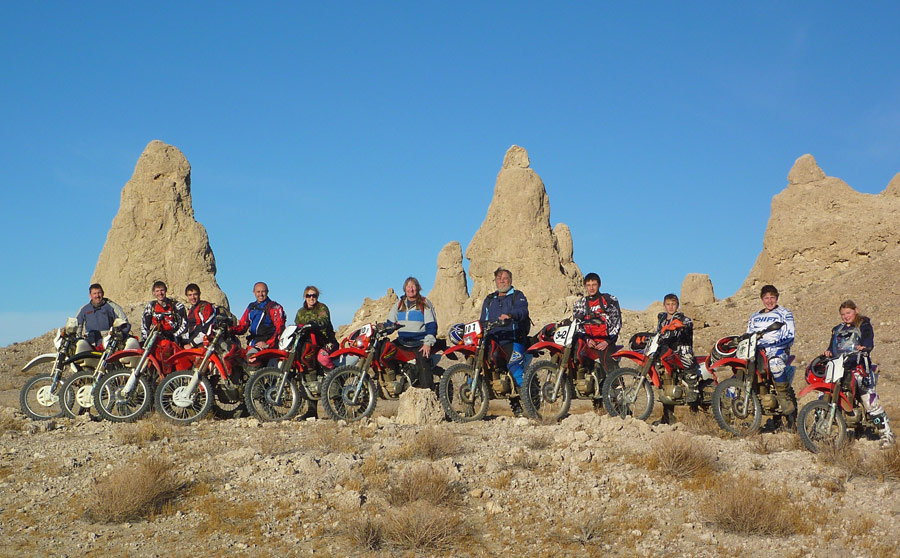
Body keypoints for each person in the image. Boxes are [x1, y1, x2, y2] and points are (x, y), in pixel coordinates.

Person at [823, 300, 893, 447]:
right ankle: (823, 429)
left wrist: (865, 346)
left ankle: (887, 435)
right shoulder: (837, 329)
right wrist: (828, 351)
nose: (846, 316)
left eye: (848, 312)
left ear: (856, 311)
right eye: (843, 314)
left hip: (859, 367)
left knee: (869, 401)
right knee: (825, 394)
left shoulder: (864, 325)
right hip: (839, 368)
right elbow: (832, 345)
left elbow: (868, 339)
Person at [480, 267, 529, 417]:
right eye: (499, 279)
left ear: (511, 280)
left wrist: (510, 315)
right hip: (493, 340)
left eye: (505, 278)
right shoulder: (489, 300)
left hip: (512, 338)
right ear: (495, 281)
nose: (502, 281)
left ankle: (528, 403)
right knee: (478, 360)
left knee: (514, 367)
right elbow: (483, 320)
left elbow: (523, 311)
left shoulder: (518, 296)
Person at [747, 284, 796, 417]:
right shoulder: (754, 316)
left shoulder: (784, 313)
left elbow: (790, 335)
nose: (769, 301)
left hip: (778, 349)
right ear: (762, 299)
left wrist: (776, 343)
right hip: (757, 350)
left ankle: (783, 397)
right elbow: (749, 334)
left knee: (775, 364)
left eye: (772, 297)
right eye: (766, 298)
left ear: (777, 298)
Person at [385, 277, 438, 390]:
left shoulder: (424, 303)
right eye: (408, 286)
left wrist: (427, 343)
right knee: (385, 350)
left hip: (419, 342)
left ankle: (427, 392)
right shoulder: (399, 304)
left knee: (423, 363)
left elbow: (431, 325)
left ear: (417, 288)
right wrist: (382, 329)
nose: (411, 289)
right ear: (405, 288)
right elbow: (390, 324)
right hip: (402, 341)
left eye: (413, 286)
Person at [654, 293, 698, 425]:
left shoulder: (683, 318)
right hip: (667, 352)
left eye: (673, 304)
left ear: (677, 305)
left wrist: (683, 325)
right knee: (667, 381)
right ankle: (667, 418)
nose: (671, 307)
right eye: (668, 304)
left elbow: (688, 324)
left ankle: (693, 389)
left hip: (681, 349)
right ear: (664, 305)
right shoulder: (662, 319)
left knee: (687, 358)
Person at [572, 272, 622, 378]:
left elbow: (616, 322)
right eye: (588, 285)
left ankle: (618, 389)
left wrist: (607, 341)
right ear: (585, 286)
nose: (591, 288)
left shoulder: (609, 300)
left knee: (608, 362)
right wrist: (586, 339)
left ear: (599, 285)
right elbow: (578, 324)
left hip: (605, 341)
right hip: (589, 341)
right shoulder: (580, 304)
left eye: (594, 285)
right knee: (575, 356)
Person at [232, 282, 286, 360]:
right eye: (258, 292)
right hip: (253, 343)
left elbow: (280, 329)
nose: (260, 294)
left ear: (267, 292)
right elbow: (243, 326)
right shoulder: (251, 307)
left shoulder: (274, 307)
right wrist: (229, 330)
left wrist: (267, 344)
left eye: (263, 291)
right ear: (254, 292)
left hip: (267, 344)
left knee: (251, 359)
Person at [140, 280, 187, 367]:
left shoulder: (176, 305)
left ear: (166, 290)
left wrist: (175, 336)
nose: (160, 293)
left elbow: (184, 324)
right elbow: (144, 325)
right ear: (153, 293)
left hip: (173, 341)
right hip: (155, 339)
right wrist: (145, 339)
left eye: (162, 290)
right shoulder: (151, 306)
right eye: (157, 291)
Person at [294, 285, 337, 371]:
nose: (311, 298)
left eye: (314, 295)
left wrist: (314, 324)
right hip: (308, 342)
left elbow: (324, 320)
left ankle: (335, 379)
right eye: (308, 295)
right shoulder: (300, 312)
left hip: (326, 341)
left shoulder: (322, 308)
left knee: (322, 358)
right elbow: (297, 325)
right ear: (305, 297)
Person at [76, 283, 130, 347]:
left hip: (108, 341)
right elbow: (77, 325)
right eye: (94, 293)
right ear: (90, 295)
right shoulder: (84, 309)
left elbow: (124, 321)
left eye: (99, 293)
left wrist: (120, 335)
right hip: (90, 342)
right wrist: (78, 339)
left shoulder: (112, 306)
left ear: (103, 293)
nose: (97, 296)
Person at [182, 283, 216, 349]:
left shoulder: (206, 307)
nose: (193, 297)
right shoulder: (191, 309)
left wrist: (192, 344)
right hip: (193, 343)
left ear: (199, 294)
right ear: (187, 296)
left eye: (195, 294)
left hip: (204, 345)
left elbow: (207, 329)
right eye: (190, 295)